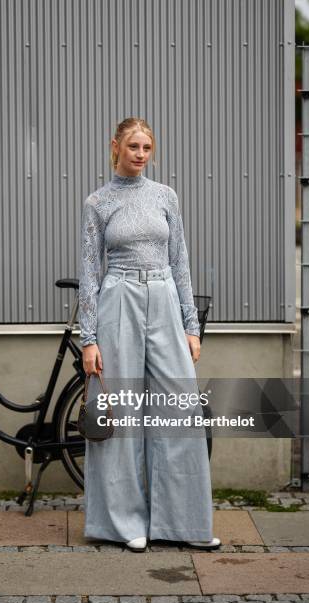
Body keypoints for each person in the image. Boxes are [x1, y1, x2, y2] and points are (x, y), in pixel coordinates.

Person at [78, 117, 221, 552]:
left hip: (162, 298)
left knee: (179, 411)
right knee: (120, 414)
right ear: (116, 147)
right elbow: (89, 271)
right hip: (117, 298)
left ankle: (185, 524)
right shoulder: (98, 202)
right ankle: (123, 524)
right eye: (133, 146)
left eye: (147, 147)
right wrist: (89, 338)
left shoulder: (165, 197)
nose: (141, 154)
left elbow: (181, 262)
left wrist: (190, 327)